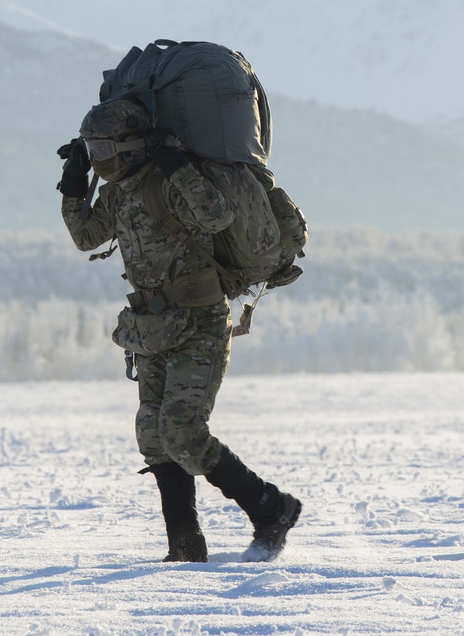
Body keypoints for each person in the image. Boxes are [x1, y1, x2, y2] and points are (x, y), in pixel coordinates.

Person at [57, 97, 301, 563]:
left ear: (130, 145)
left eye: (104, 146)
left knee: (183, 431)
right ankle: (185, 546)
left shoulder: (169, 181)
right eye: (92, 148)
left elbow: (217, 217)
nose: (99, 156)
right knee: (153, 433)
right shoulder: (120, 193)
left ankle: (272, 507)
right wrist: (73, 190)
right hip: (150, 326)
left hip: (199, 322)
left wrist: (177, 168)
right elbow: (87, 237)